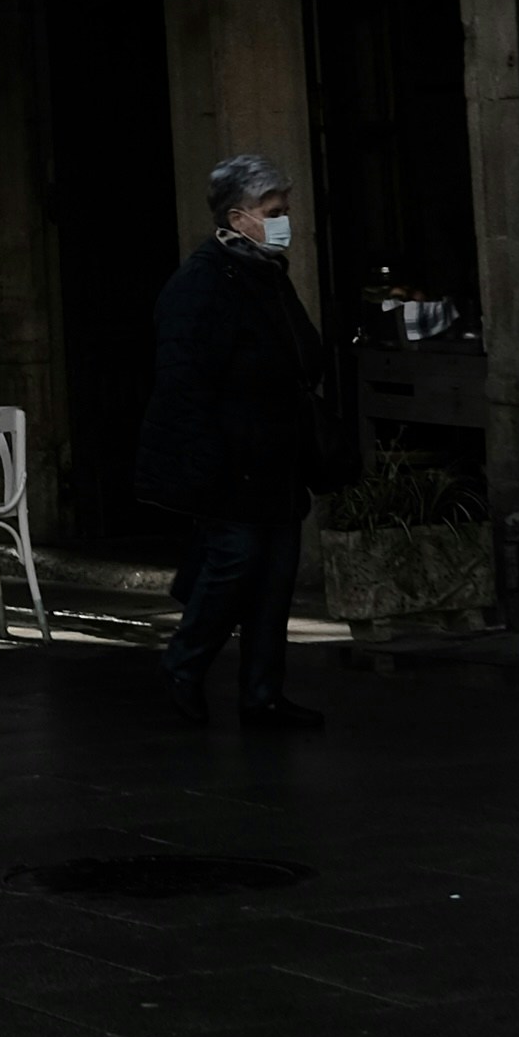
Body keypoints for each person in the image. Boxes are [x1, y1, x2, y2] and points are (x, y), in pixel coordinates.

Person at [137, 151, 335, 732]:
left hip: (274, 456)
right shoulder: (201, 283)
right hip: (232, 460)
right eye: (273, 210)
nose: (283, 220)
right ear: (237, 216)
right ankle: (184, 662)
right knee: (235, 563)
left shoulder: (265, 271)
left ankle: (263, 694)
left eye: (285, 209)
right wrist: (206, 464)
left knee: (274, 575)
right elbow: (182, 382)